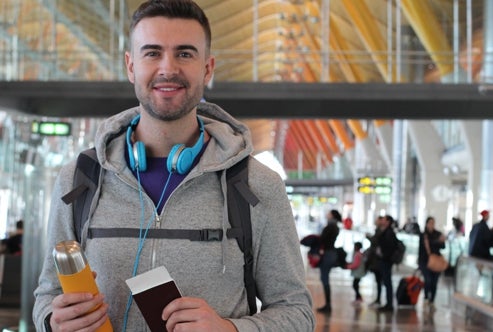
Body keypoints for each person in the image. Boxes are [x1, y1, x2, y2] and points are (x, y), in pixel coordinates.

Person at [32, 1, 315, 331]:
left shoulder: (256, 185)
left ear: (207, 68)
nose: (168, 68)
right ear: (130, 66)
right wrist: (53, 321)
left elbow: (297, 313)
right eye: (152, 53)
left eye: (185, 54)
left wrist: (230, 329)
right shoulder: (80, 179)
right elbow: (47, 296)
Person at [316, 209, 341, 313]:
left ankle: (328, 305)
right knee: (325, 278)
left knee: (324, 278)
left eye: (329, 213)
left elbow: (323, 239)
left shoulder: (330, 227)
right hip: (331, 253)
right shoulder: (335, 227)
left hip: (327, 254)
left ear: (333, 216)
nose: (327, 214)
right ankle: (327, 304)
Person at [418, 216, 446, 308]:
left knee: (434, 281)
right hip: (425, 261)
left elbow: (443, 246)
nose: (431, 225)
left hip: (436, 261)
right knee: (428, 280)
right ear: (426, 224)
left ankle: (432, 300)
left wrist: (440, 241)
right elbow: (421, 249)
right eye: (430, 223)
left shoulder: (437, 234)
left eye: (433, 223)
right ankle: (426, 298)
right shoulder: (424, 235)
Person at [376, 214, 397, 311]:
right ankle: (388, 303)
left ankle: (389, 304)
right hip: (384, 260)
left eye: (384, 219)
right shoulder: (385, 231)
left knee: (387, 282)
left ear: (388, 221)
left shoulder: (389, 232)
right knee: (386, 281)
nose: (382, 221)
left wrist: (384, 255)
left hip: (386, 260)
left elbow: (389, 247)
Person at [365, 216, 383, 307]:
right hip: (376, 260)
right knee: (378, 280)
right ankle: (378, 299)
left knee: (380, 280)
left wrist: (369, 238)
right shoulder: (379, 231)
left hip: (378, 261)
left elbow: (376, 242)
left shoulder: (381, 232)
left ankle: (379, 299)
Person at [345, 241, 367, 306]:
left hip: (358, 273)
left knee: (355, 285)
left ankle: (359, 298)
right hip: (359, 273)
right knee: (355, 285)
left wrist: (348, 267)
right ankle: (358, 298)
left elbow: (356, 265)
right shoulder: (359, 254)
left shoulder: (357, 255)